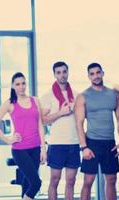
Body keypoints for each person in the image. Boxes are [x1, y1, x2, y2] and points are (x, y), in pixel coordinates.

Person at [75, 63, 119, 200]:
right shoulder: (83, 96)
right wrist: (84, 147)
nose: (96, 76)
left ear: (103, 73)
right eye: (92, 74)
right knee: (88, 181)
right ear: (88, 77)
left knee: (111, 179)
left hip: (110, 143)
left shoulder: (113, 95)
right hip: (92, 143)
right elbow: (79, 123)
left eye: (98, 72)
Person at [0, 72, 46, 200]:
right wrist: (8, 140)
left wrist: (43, 149)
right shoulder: (10, 103)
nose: (21, 86)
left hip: (35, 149)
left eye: (23, 83)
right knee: (36, 183)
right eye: (18, 84)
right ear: (13, 86)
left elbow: (40, 125)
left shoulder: (35, 101)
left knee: (27, 183)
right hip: (20, 150)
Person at [41, 61, 80, 200]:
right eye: (58, 72)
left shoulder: (76, 95)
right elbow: (43, 120)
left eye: (64, 71)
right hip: (57, 144)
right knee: (55, 180)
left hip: (74, 143)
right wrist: (61, 112)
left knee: (71, 181)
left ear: (68, 72)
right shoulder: (48, 95)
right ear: (54, 75)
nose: (62, 75)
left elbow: (81, 119)